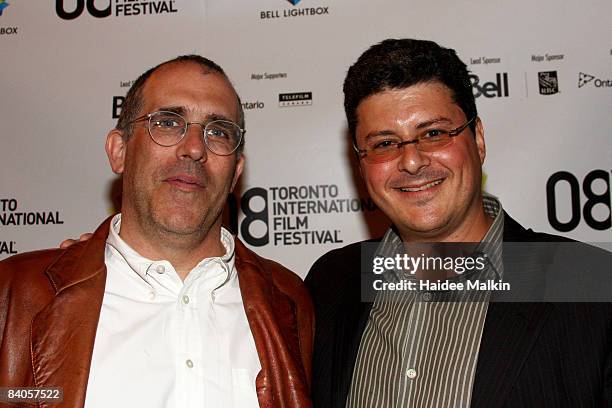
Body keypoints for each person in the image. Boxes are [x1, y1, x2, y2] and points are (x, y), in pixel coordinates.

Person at [305, 39, 611, 408]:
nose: (412, 162)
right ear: (360, 164)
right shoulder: (330, 285)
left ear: (478, 139)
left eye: (434, 133)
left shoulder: (591, 290)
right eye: (385, 143)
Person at [0, 55, 313, 408]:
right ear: (119, 151)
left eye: (219, 132)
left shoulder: (289, 302)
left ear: (235, 173)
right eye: (167, 122)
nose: (194, 148)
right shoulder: (15, 295)